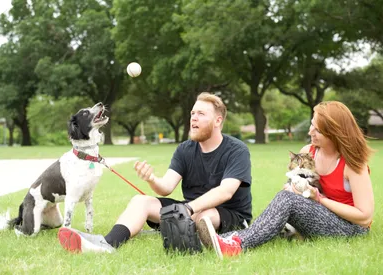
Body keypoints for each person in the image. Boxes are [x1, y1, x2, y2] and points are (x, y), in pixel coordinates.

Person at [57, 92, 253, 253]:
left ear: (218, 120)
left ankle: (186, 231)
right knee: (140, 201)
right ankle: (106, 244)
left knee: (206, 215)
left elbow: (226, 191)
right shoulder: (185, 149)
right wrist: (151, 179)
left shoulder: (237, 150)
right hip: (189, 210)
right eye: (193, 113)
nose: (193, 117)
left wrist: (188, 209)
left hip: (229, 214)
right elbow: (167, 187)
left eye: (201, 114)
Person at [197, 101, 375, 259]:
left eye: (317, 130)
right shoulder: (310, 151)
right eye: (312, 125)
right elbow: (299, 188)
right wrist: (293, 188)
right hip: (319, 215)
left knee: (287, 202)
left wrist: (319, 199)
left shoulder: (353, 164)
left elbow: (364, 217)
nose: (309, 131)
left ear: (333, 133)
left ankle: (235, 246)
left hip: (350, 229)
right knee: (276, 215)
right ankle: (218, 240)